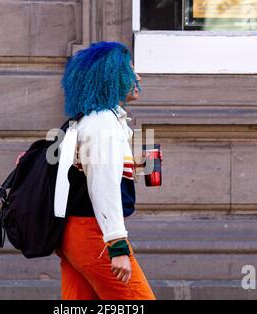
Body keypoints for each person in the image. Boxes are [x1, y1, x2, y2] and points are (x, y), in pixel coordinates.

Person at [16, 41, 162, 300]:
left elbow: (90, 174)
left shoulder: (88, 120)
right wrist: (117, 247)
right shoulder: (104, 124)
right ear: (110, 77)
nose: (138, 77)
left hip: (71, 233)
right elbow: (103, 188)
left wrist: (136, 162)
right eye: (130, 70)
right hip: (92, 233)